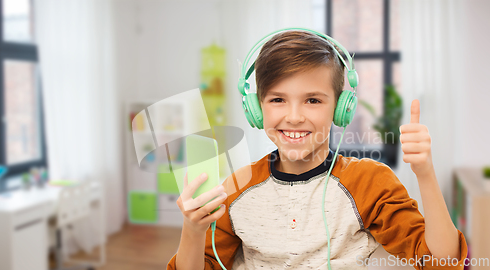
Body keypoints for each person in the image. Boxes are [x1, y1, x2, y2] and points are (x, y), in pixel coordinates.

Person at [167, 30, 468, 269]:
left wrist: (424, 172)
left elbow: (440, 262)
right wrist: (192, 231)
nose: (294, 116)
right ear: (256, 110)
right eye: (277, 100)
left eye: (313, 100)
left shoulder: (369, 182)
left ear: (340, 109)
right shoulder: (236, 187)